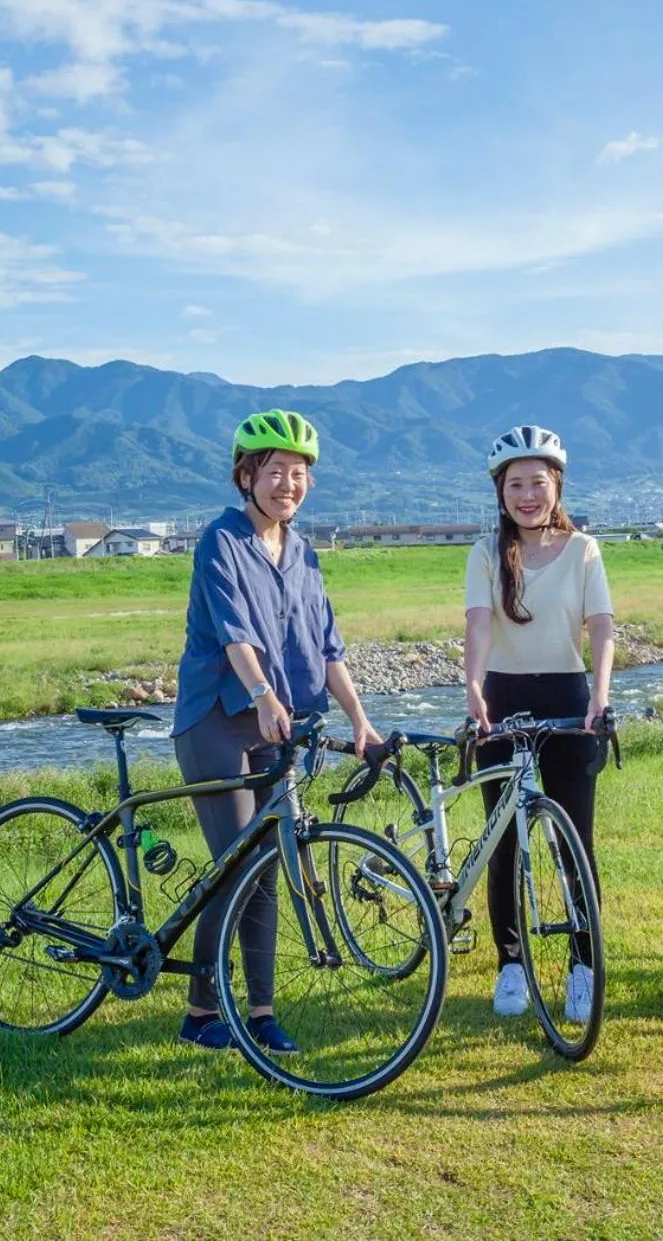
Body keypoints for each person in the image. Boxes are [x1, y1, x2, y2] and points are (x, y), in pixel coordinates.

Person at [171, 408, 384, 1051]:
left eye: (297, 474)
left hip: (278, 722)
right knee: (236, 866)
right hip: (218, 718)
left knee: (272, 862)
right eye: (273, 472)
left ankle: (260, 1014)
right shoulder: (221, 542)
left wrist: (361, 722)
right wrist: (263, 693)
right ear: (246, 475)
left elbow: (327, 650)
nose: (286, 484)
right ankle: (202, 1015)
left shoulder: (305, 555)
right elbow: (235, 632)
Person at [463, 425, 615, 1023]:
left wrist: (599, 698)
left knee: (575, 840)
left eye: (539, 483)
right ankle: (511, 964)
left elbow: (601, 626)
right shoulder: (484, 552)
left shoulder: (584, 550)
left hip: (570, 697)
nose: (528, 495)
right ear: (501, 490)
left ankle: (583, 963)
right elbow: (478, 623)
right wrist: (472, 687)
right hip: (501, 695)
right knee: (503, 838)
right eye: (516, 484)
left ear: (557, 486)